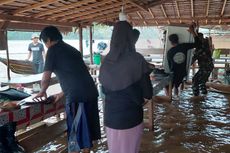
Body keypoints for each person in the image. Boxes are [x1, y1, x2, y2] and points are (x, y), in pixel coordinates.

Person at [33, 26, 101, 153]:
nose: (46, 45)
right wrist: (62, 93)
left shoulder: (52, 51)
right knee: (87, 128)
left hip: (78, 96)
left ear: (48, 40)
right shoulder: (72, 50)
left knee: (76, 130)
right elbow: (78, 73)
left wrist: (42, 90)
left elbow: (46, 76)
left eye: (44, 42)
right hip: (91, 92)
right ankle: (87, 150)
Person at [99, 21, 153, 153]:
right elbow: (148, 93)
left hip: (110, 118)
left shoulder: (105, 61)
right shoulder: (137, 59)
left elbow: (104, 88)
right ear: (130, 36)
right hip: (131, 118)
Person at [166, 23, 201, 97]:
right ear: (178, 40)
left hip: (173, 73)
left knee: (170, 89)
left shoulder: (169, 52)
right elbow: (198, 44)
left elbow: (169, 65)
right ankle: (177, 96)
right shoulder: (183, 46)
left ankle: (170, 102)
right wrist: (193, 32)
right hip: (182, 72)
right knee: (177, 86)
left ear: (170, 42)